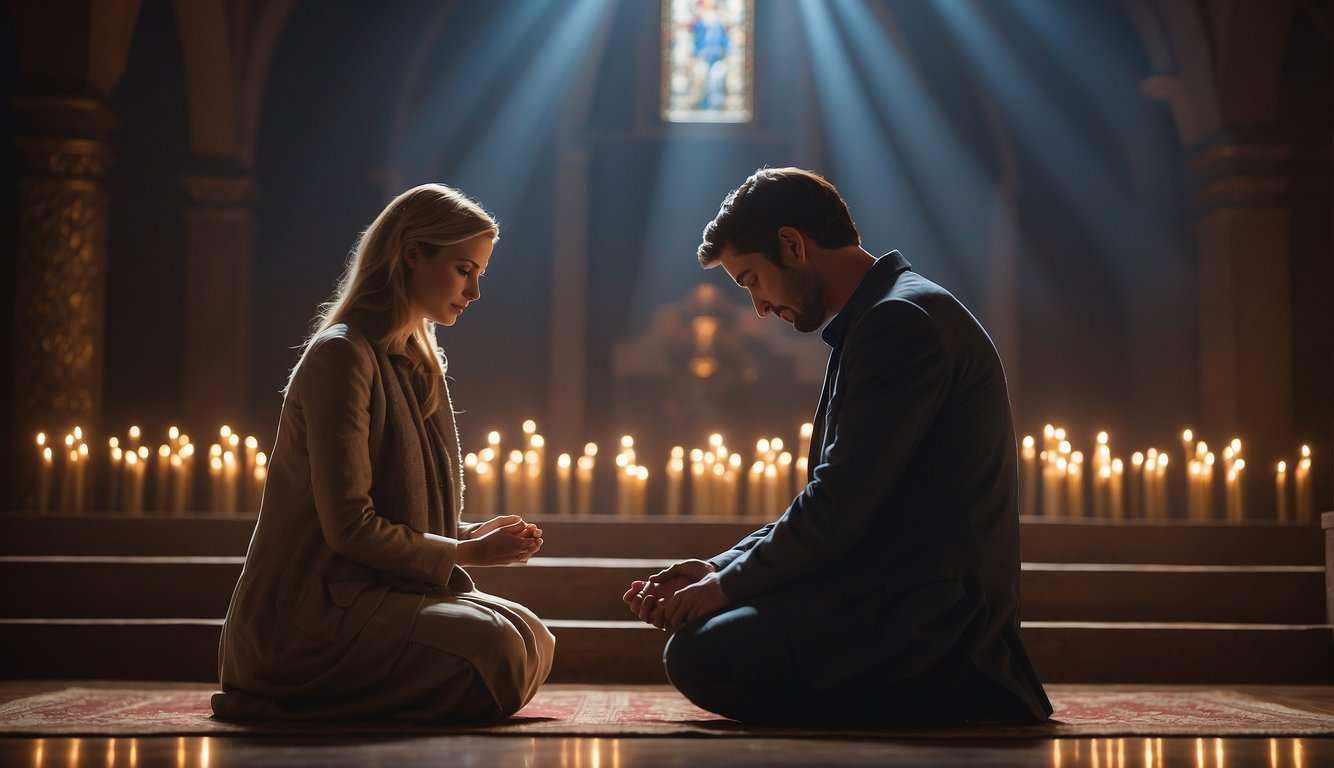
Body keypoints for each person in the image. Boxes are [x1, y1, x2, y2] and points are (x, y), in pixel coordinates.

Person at [623, 167, 1052, 727]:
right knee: (707, 639)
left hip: (933, 617)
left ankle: (953, 700)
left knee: (705, 653)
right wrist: (715, 568)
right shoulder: (877, 317)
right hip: (882, 585)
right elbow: (838, 498)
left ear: (792, 246)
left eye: (751, 279)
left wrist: (724, 586)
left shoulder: (901, 321)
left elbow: (840, 503)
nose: (756, 306)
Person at [213, 183, 554, 723]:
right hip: (314, 611)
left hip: (380, 592)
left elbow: (401, 510)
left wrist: (469, 533)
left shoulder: (416, 359)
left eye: (480, 274)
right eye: (465, 270)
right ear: (413, 252)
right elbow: (350, 526)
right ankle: (285, 690)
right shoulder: (341, 357)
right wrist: (463, 556)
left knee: (531, 635)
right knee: (498, 650)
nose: (474, 292)